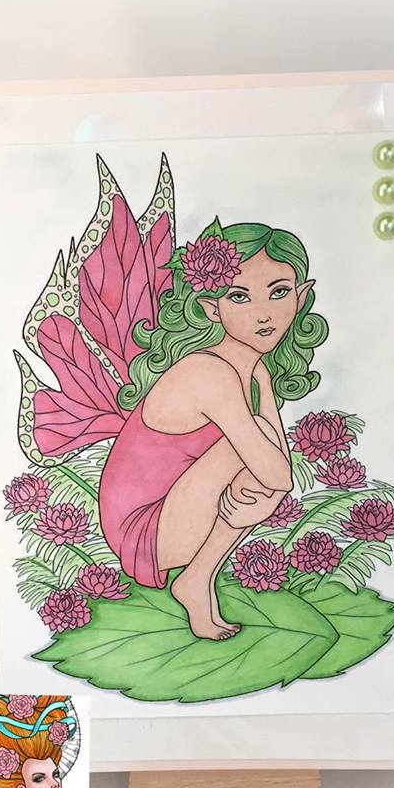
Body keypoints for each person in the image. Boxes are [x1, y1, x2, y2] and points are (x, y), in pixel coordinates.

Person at [98, 220, 328, 640]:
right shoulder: (209, 372)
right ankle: (195, 579)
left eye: (278, 292)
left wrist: (266, 494)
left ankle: (196, 579)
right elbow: (278, 474)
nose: (263, 313)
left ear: (301, 296)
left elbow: (277, 471)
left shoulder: (254, 370)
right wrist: (264, 502)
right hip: (146, 530)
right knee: (256, 444)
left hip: (185, 509)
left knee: (259, 447)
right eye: (239, 296)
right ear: (211, 308)